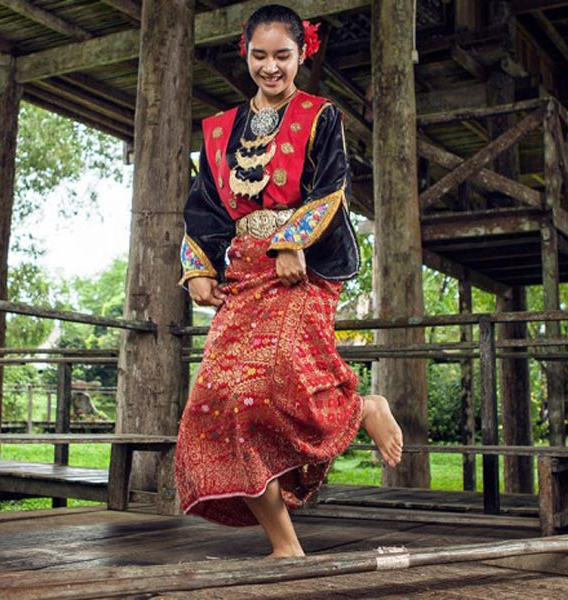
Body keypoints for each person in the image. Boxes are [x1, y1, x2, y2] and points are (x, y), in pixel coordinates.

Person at [175, 4, 403, 558]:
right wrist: (199, 267)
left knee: (272, 386)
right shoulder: (222, 130)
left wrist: (291, 241)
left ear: (303, 54)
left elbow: (330, 189)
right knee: (216, 403)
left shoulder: (321, 117)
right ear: (244, 54)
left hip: (303, 267)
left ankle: (363, 407)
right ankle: (286, 547)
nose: (270, 67)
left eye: (283, 56)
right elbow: (205, 207)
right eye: (260, 56)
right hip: (244, 273)